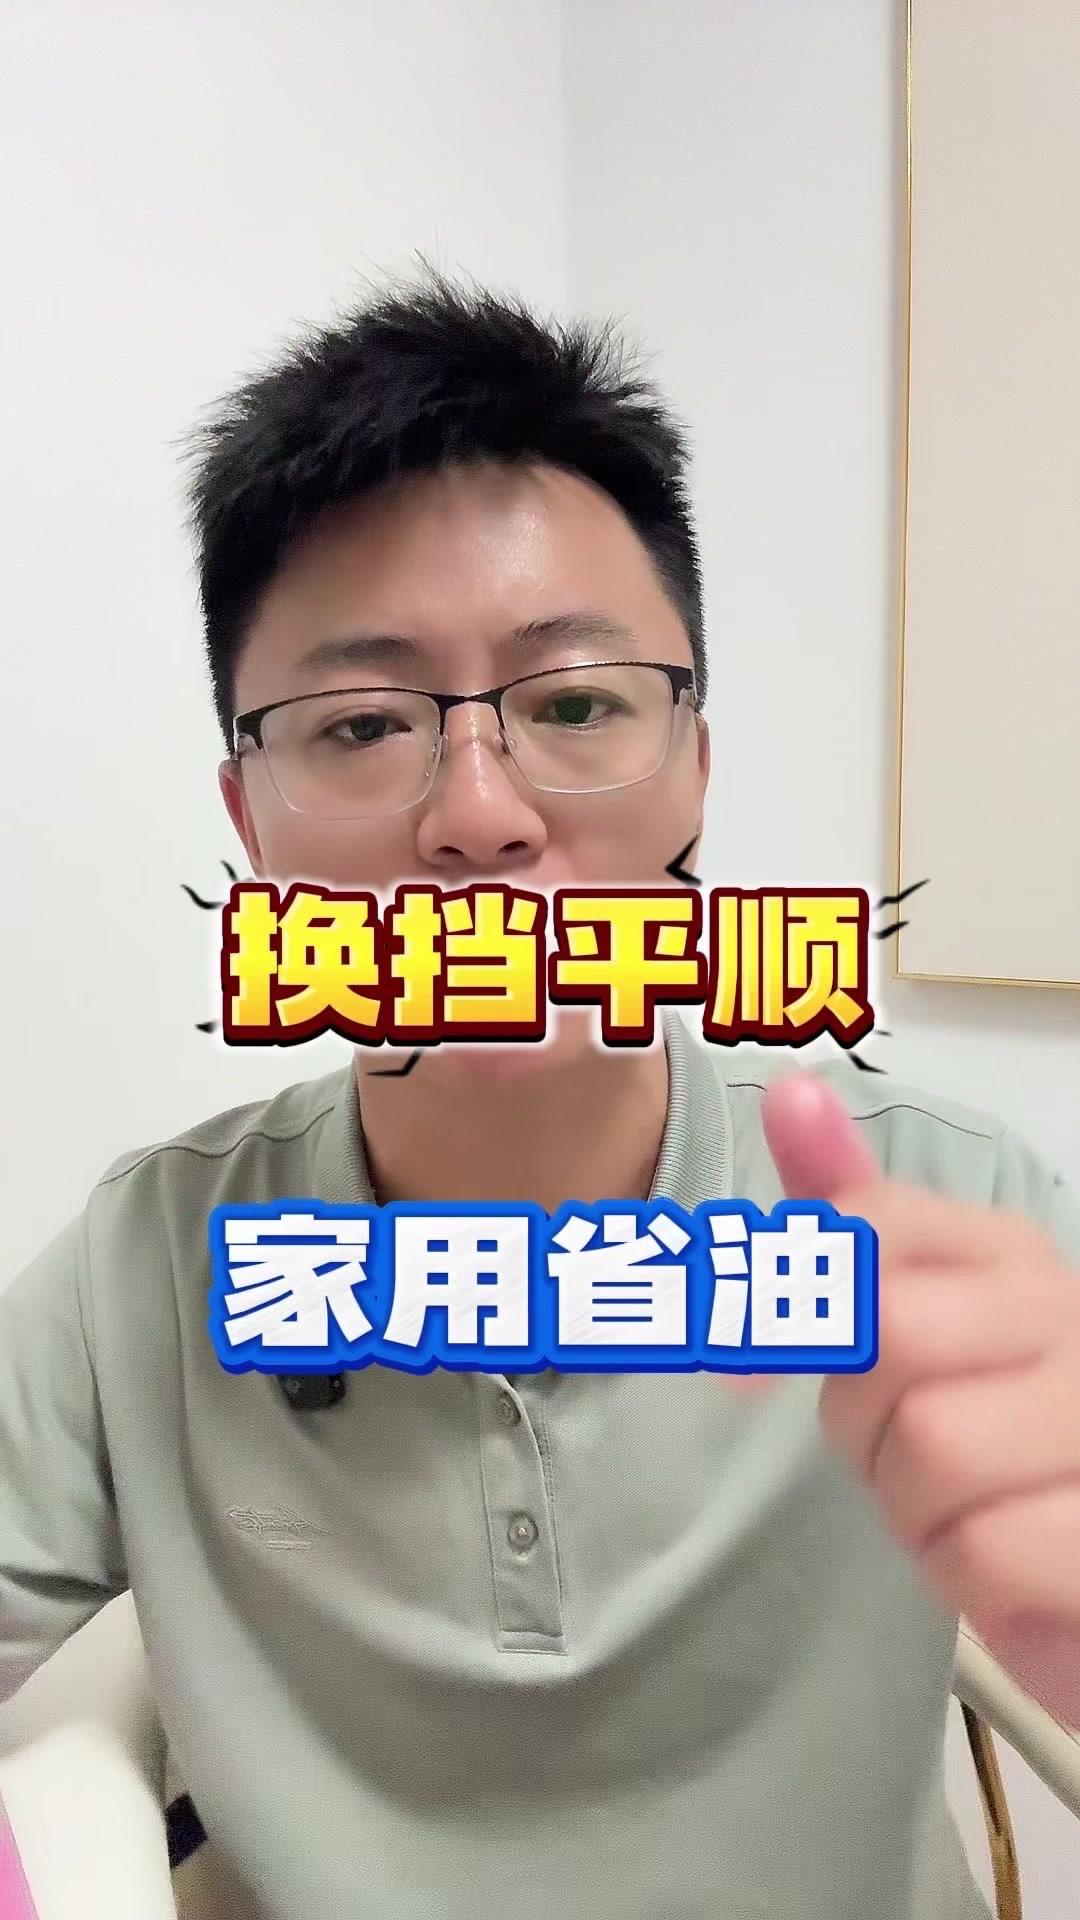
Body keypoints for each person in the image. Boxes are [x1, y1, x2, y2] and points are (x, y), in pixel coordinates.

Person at [1, 267, 1077, 1920]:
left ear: (695, 768)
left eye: (573, 704)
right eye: (362, 725)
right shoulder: (142, 1269)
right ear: (249, 822)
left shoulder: (954, 1208)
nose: (481, 816)